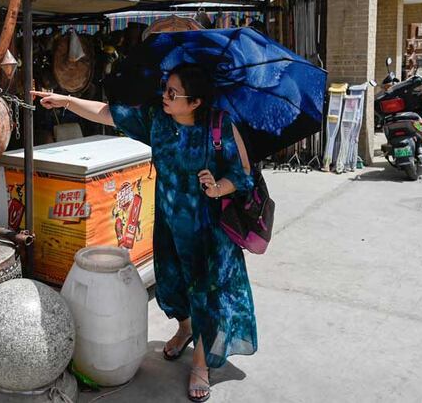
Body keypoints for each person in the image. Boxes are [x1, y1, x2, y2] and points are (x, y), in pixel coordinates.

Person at [32, 64, 257, 402]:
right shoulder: (157, 119)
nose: (164, 96)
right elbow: (109, 113)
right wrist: (65, 100)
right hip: (168, 224)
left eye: (172, 93)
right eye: (165, 88)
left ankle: (200, 363)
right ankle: (184, 327)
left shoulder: (220, 126)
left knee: (204, 295)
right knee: (170, 284)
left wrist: (217, 187)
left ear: (195, 102)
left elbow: (243, 175)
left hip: (207, 234)